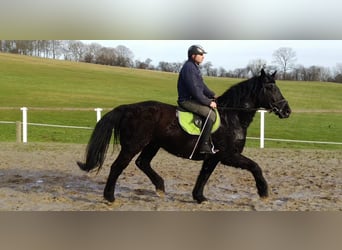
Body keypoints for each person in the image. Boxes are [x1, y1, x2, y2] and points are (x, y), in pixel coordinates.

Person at [177, 45, 219, 154]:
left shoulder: (194, 67)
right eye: (201, 54)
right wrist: (208, 102)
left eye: (203, 55)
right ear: (193, 55)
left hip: (193, 99)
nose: (203, 57)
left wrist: (212, 95)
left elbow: (201, 85)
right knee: (210, 114)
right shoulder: (189, 68)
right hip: (187, 100)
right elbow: (195, 90)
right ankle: (203, 146)